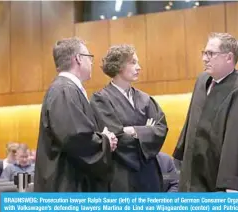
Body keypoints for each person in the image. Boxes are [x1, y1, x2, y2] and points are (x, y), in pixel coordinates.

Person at [173, 32, 238, 192]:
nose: (204, 58)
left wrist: (232, 186)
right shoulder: (202, 81)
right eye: (204, 53)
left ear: (229, 57)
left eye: (210, 53)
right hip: (190, 177)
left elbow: (237, 143)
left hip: (215, 183)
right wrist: (181, 155)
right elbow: (191, 122)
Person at [34, 37, 118, 192]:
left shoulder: (67, 89)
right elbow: (75, 137)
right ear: (78, 59)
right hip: (67, 186)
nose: (92, 62)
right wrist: (104, 141)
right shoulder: (64, 90)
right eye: (89, 57)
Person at [90, 44, 168, 192]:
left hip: (149, 173)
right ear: (118, 66)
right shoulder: (100, 100)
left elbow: (161, 129)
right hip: (120, 174)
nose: (139, 67)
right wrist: (146, 131)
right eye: (133, 62)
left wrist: (133, 130)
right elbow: (115, 136)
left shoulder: (145, 99)